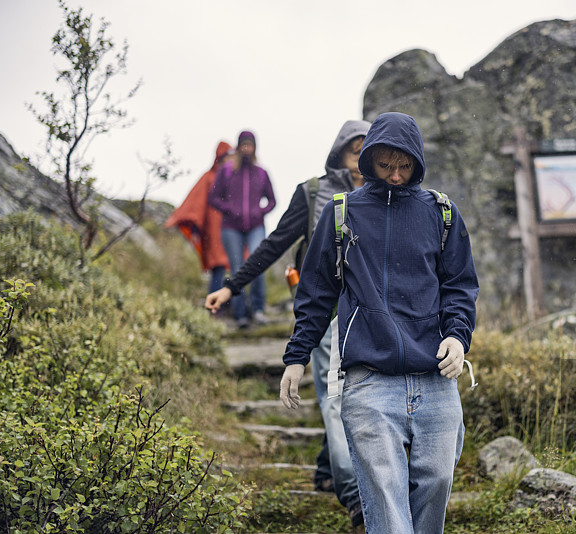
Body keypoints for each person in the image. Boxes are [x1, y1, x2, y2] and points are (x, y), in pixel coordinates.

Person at [279, 112, 479, 533]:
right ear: (367, 161)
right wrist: (296, 358)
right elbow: (316, 293)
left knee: (438, 482)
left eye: (404, 166)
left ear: (417, 162)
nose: (394, 175)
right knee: (386, 500)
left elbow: (460, 286)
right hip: (368, 380)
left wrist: (458, 337)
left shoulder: (441, 214)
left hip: (436, 377)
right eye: (385, 165)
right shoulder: (341, 214)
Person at [205, 120, 371, 527]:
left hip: (370, 318)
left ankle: (327, 469)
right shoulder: (313, 192)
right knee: (336, 398)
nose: (364, 161)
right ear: (339, 152)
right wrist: (231, 288)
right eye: (356, 151)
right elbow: (275, 243)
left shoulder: (386, 193)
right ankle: (355, 497)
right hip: (324, 314)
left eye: (371, 153)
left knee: (357, 398)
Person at [208, 130, 276, 328]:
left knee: (258, 265)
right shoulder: (227, 171)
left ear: (255, 147)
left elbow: (272, 200)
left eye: (250, 145)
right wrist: (229, 209)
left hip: (255, 226)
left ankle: (258, 309)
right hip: (231, 227)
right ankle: (240, 315)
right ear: (238, 147)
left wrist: (260, 212)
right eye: (244, 144)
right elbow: (213, 198)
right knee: (237, 269)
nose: (247, 148)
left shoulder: (261, 173)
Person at [165, 141, 233, 298]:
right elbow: (196, 204)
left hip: (229, 229)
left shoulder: (231, 178)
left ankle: (231, 306)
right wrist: (195, 228)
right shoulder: (209, 178)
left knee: (231, 266)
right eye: (228, 156)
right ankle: (215, 305)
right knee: (218, 266)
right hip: (213, 230)